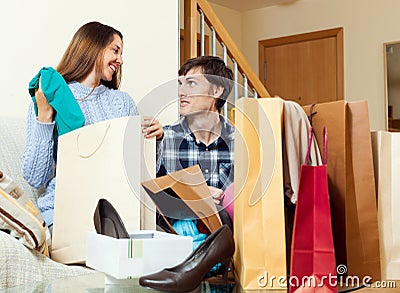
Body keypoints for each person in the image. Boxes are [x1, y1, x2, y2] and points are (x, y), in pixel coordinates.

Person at [21, 21, 162, 232]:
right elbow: (35, 178)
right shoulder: (51, 98)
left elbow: (141, 174)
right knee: (121, 250)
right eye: (115, 50)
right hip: (67, 211)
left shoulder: (122, 102)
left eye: (122, 53)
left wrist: (155, 141)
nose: (120, 60)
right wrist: (44, 117)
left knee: (158, 246)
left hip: (118, 211)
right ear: (92, 47)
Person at [155, 56, 234, 244]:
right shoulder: (164, 138)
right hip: (177, 243)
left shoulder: (240, 142)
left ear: (217, 90)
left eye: (191, 83)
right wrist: (195, 195)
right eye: (181, 84)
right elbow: (150, 204)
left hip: (229, 246)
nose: (182, 92)